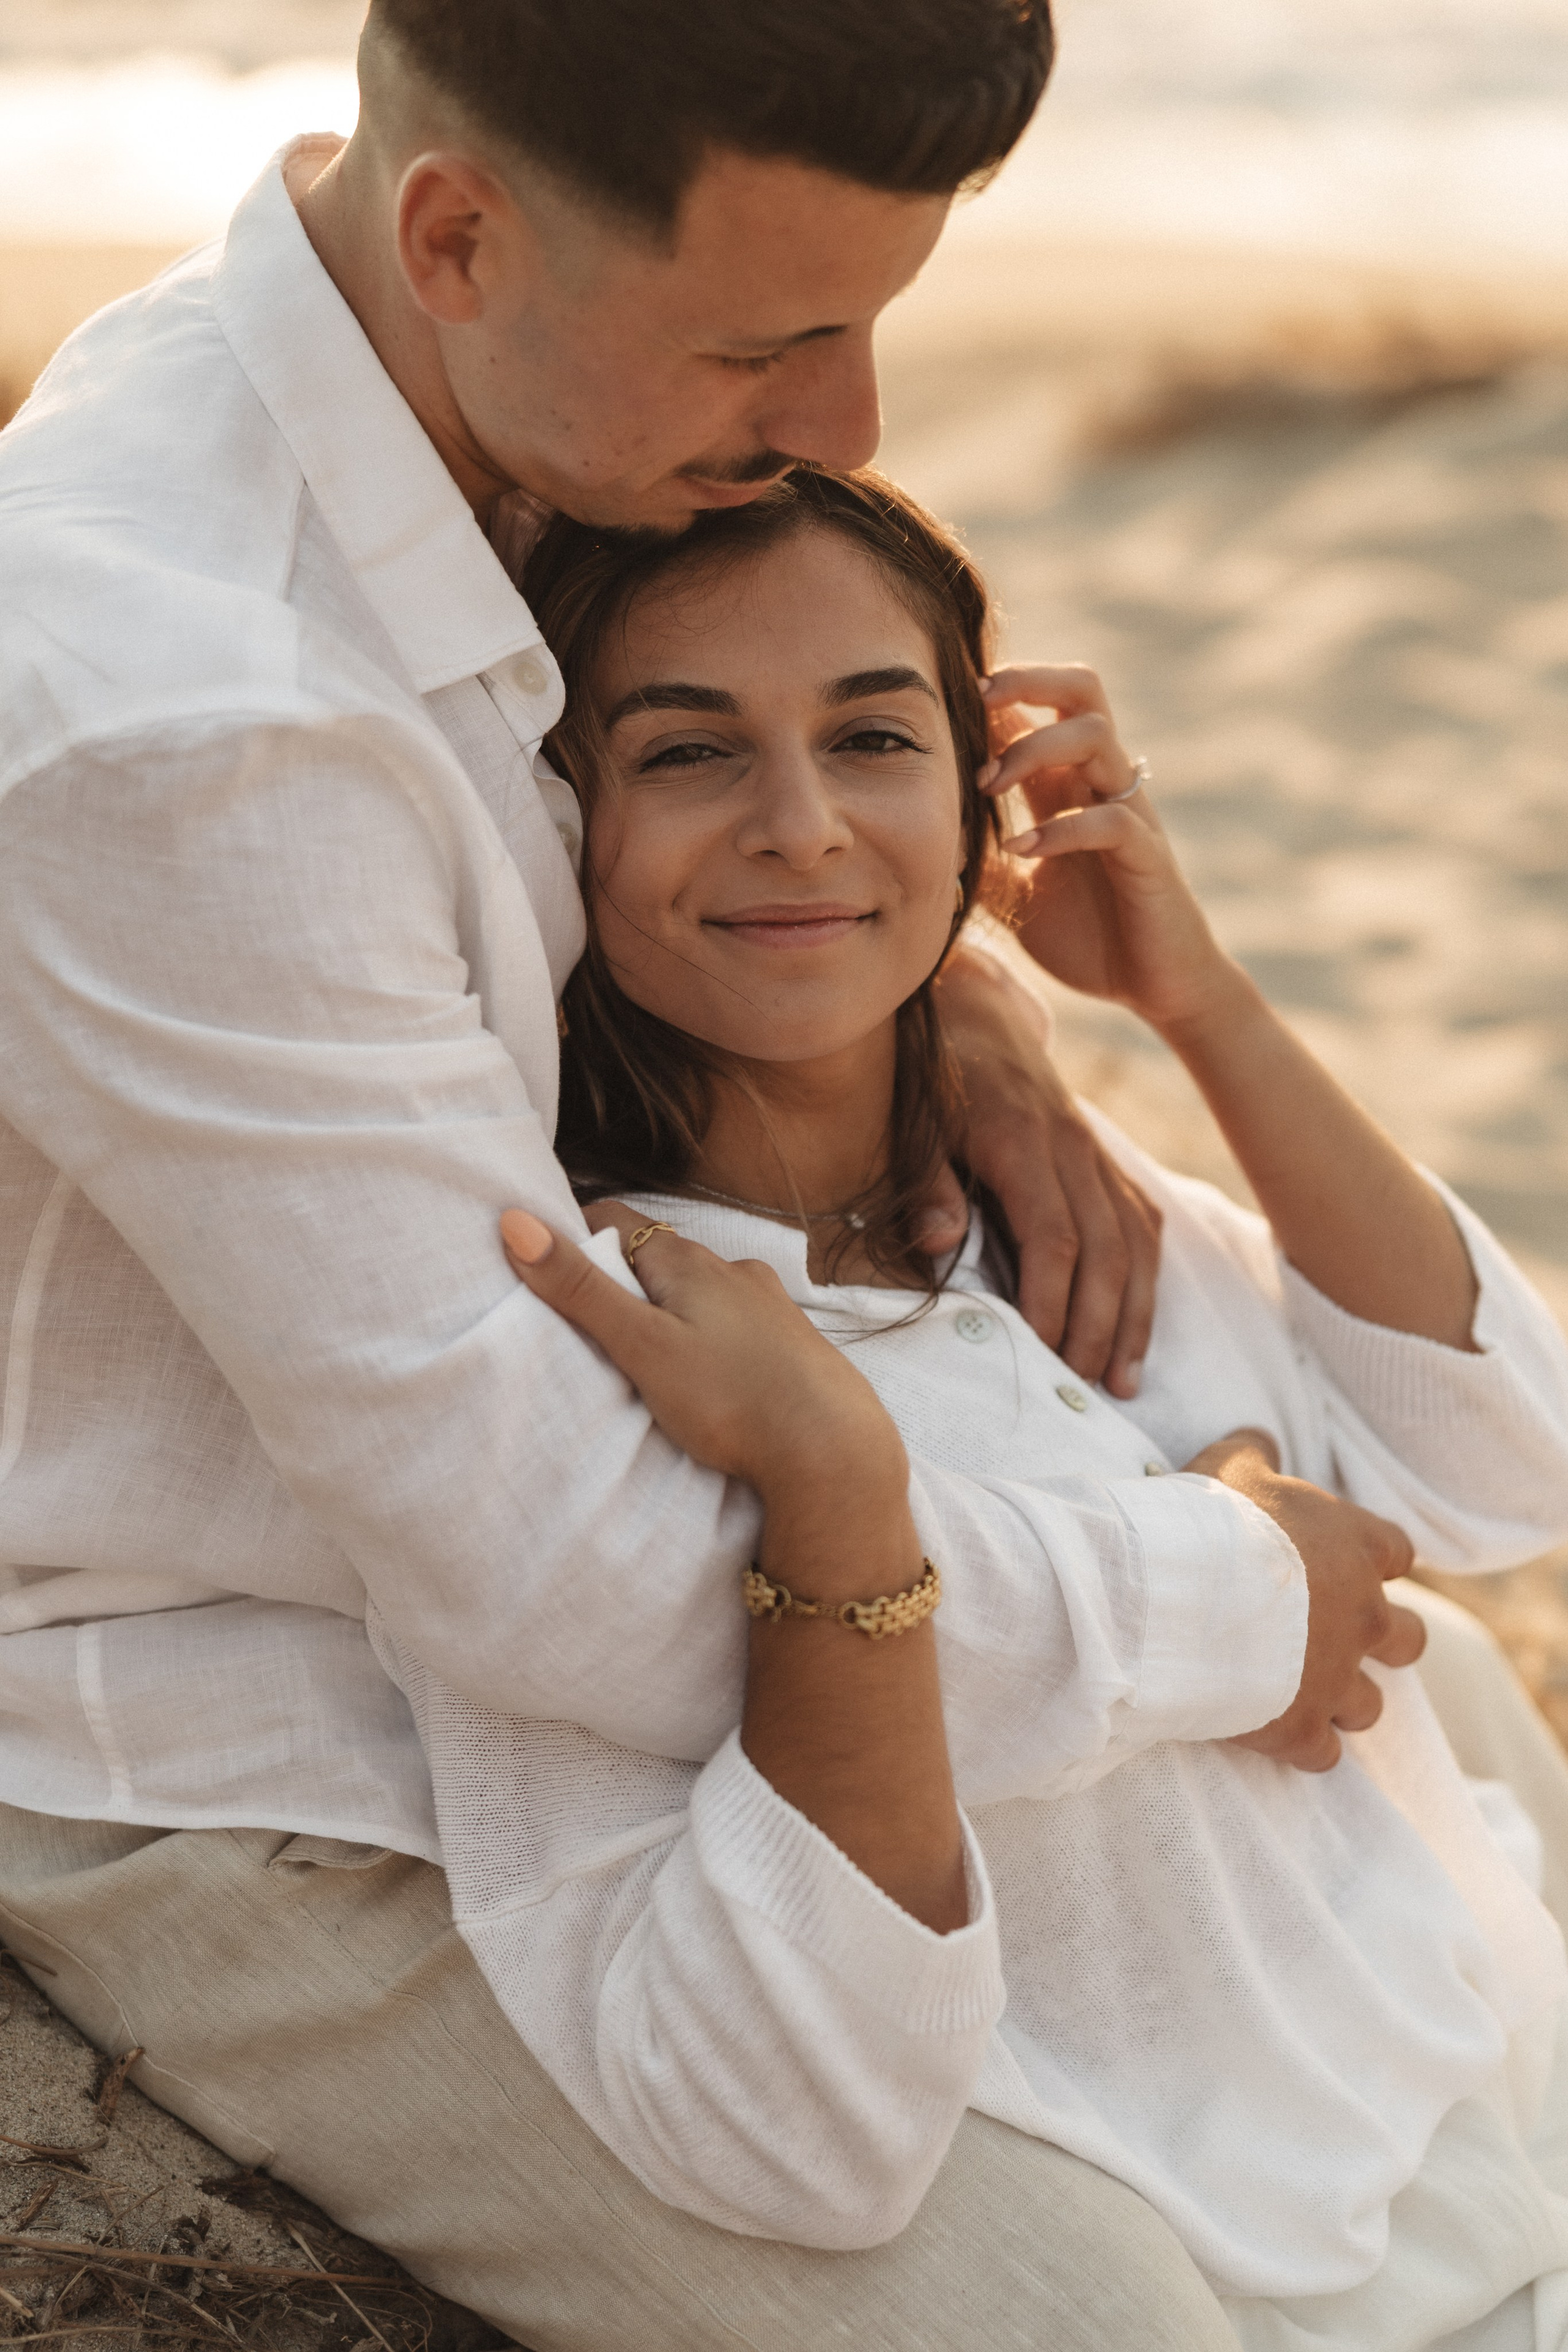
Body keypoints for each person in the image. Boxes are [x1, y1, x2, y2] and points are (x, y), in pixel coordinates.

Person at [0, 4, 1477, 2345]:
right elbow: (570, 1590)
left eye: (875, 318)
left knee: (1414, 1976)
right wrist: (1226, 1602)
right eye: (772, 343)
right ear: (458, 232)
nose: (853, 426)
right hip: (273, 1728)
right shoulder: (186, 713)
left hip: (653, 1608)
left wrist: (936, 1003)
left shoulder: (409, 367)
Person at [410, 462, 1568, 2351]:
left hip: (1508, 2074)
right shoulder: (617, 1337)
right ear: (564, 822)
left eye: (872, 736)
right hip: (1294, 2276)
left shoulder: (1040, 1206)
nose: (799, 830)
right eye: (689, 755)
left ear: (978, 800)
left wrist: (1191, 998)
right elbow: (784, 2076)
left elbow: (1507, 1469)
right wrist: (1205, 1548)